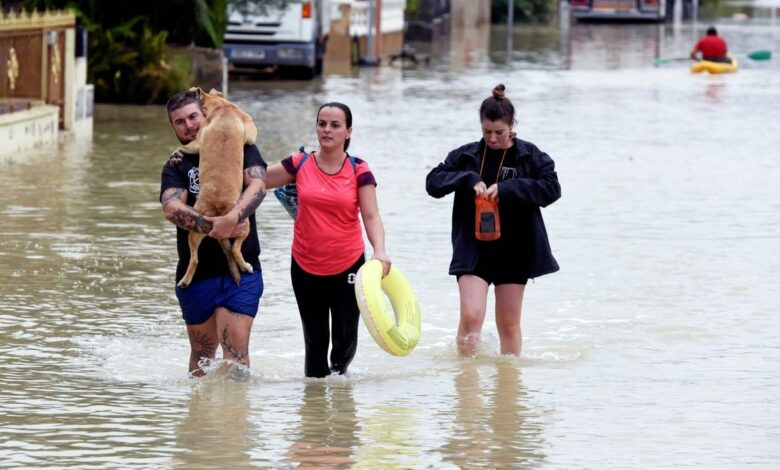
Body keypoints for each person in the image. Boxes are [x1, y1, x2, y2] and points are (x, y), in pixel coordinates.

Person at [425, 84, 560, 357]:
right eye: (487, 132)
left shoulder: (531, 156)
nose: (493, 138)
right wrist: (468, 178)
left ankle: (508, 392)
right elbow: (433, 183)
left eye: (500, 132)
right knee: (471, 316)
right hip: (473, 248)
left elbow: (551, 189)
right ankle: (466, 386)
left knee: (508, 324)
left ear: (513, 126)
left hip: (514, 250)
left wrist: (509, 188)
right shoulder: (466, 156)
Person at [266, 102, 391, 378]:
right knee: (315, 342)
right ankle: (314, 414)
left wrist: (379, 252)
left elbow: (371, 216)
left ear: (348, 131)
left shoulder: (359, 169)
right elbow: (257, 178)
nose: (327, 129)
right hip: (305, 265)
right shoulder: (299, 163)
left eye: (335, 125)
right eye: (322, 123)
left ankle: (340, 394)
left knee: (346, 341)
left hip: (348, 265)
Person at [160, 90, 268, 377]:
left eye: (193, 116)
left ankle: (234, 419)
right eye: (180, 122)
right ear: (173, 128)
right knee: (202, 357)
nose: (189, 125)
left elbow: (258, 185)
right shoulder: (177, 164)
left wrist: (234, 217)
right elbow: (171, 208)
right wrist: (213, 226)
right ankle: (200, 420)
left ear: (205, 114)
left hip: (242, 273)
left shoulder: (239, 143)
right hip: (197, 275)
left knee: (235, 355)